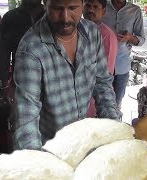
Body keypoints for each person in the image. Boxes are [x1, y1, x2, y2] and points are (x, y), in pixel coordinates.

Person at [13, 0, 120, 150]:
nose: (65, 18)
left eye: (72, 8)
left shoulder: (92, 34)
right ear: (45, 4)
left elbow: (102, 85)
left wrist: (115, 128)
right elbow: (26, 118)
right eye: (57, 9)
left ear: (83, 4)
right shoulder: (31, 49)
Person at [103, 0, 145, 110]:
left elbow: (141, 39)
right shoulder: (102, 6)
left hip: (122, 68)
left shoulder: (135, 10)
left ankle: (116, 124)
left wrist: (130, 38)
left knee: (117, 104)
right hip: (102, 67)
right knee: (100, 103)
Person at [0, 0, 45, 89]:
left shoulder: (50, 17)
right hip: (21, 81)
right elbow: (4, 51)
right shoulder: (10, 17)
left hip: (50, 81)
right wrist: (5, 83)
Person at [83, 0, 118, 117]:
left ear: (103, 11)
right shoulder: (77, 30)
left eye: (95, 7)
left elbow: (103, 78)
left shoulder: (106, 35)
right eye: (88, 6)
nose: (90, 10)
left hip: (92, 101)